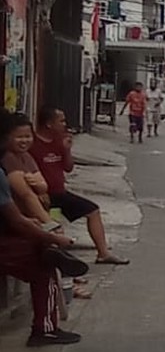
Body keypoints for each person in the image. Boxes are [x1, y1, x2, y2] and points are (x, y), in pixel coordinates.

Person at [0, 122, 86, 346]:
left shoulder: (22, 159)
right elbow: (18, 214)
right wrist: (51, 234)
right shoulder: (7, 168)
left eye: (27, 136)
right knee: (43, 268)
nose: (24, 141)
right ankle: (45, 329)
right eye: (17, 136)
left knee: (42, 244)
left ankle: (57, 256)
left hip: (14, 230)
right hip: (7, 239)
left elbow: (41, 190)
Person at [31, 106, 129, 266]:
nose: (65, 124)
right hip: (43, 196)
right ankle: (60, 267)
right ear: (49, 124)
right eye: (61, 121)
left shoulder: (59, 141)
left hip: (60, 193)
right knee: (54, 228)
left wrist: (67, 150)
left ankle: (103, 253)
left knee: (92, 210)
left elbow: (68, 167)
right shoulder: (33, 144)